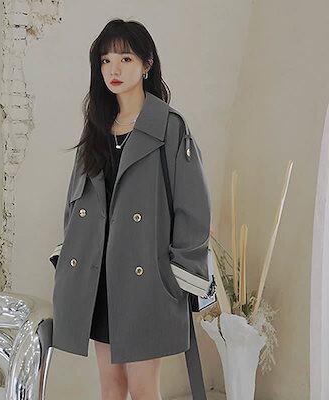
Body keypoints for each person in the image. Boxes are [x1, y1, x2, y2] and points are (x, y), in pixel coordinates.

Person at [51, 18, 211, 400]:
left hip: (145, 279)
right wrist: (70, 252)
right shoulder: (97, 127)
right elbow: (76, 202)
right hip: (99, 278)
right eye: (106, 60)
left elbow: (194, 208)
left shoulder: (169, 127)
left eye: (125, 58)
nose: (115, 69)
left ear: (146, 64)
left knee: (142, 388)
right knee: (111, 386)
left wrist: (176, 274)